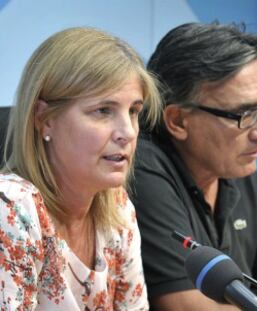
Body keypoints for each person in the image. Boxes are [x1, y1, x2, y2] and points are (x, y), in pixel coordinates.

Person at [131, 22, 257, 310]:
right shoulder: (143, 169)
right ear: (177, 121)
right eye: (244, 113)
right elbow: (186, 306)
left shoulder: (237, 171)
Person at [0, 27, 161, 310]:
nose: (128, 132)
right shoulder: (12, 208)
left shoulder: (118, 208)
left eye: (133, 111)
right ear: (44, 119)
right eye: (103, 111)